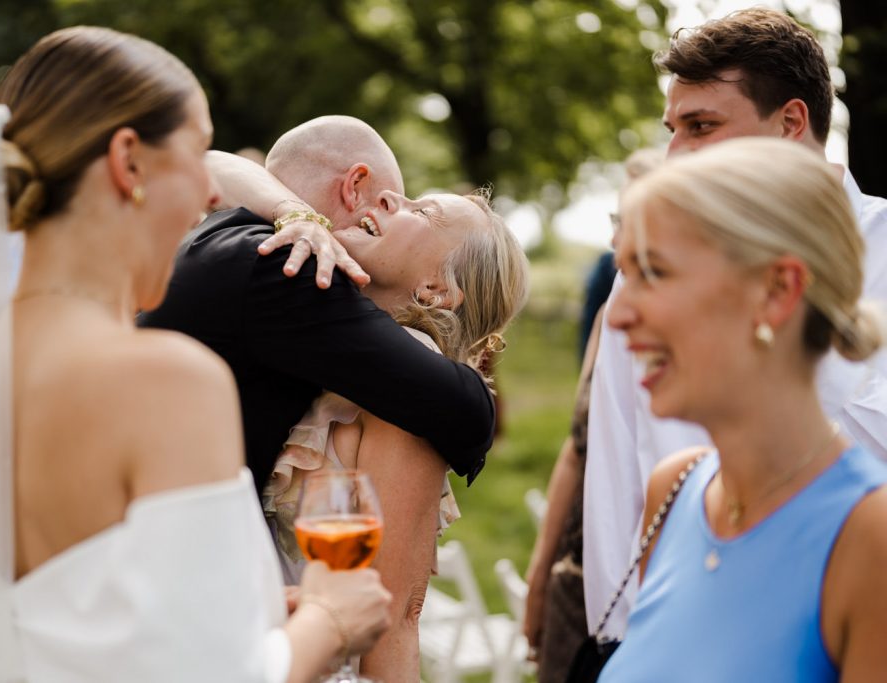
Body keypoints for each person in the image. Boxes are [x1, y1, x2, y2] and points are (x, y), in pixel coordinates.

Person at [0, 26, 392, 683]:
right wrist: (330, 621)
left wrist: (254, 613)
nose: (211, 193)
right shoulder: (166, 379)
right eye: (199, 151)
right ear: (129, 162)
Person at [581, 7, 887, 641]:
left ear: (791, 123)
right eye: (672, 128)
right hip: (672, 631)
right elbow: (616, 470)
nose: (674, 153)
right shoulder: (641, 278)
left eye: (701, 126)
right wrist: (618, 645)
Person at [138, 118, 498, 497]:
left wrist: (293, 211)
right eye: (388, 198)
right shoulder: (290, 267)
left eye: (420, 212)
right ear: (354, 186)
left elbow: (211, 162)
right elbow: (467, 411)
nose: (393, 206)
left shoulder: (224, 231)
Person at [254, 186, 529, 681]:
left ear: (434, 290)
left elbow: (397, 616)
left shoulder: (410, 385)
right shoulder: (338, 353)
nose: (386, 197)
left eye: (421, 211)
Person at [524, 148, 663, 682]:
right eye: (614, 219)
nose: (613, 240)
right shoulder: (613, 312)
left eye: (629, 222)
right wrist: (540, 576)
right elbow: (577, 444)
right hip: (583, 573)